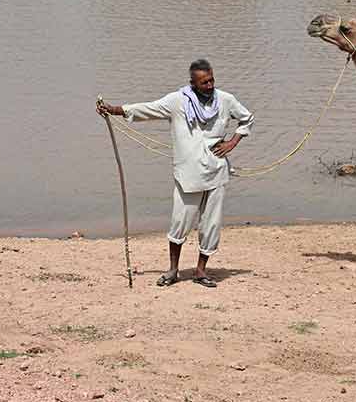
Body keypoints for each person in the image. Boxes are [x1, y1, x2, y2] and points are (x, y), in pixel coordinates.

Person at [97, 59, 254, 288]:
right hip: (187, 174)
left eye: (211, 80)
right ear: (192, 83)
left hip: (216, 171)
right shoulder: (177, 101)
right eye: (204, 82)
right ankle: (173, 270)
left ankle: (201, 270)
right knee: (180, 222)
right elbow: (147, 109)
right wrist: (113, 110)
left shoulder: (225, 100)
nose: (209, 86)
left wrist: (232, 142)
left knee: (211, 225)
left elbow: (247, 118)